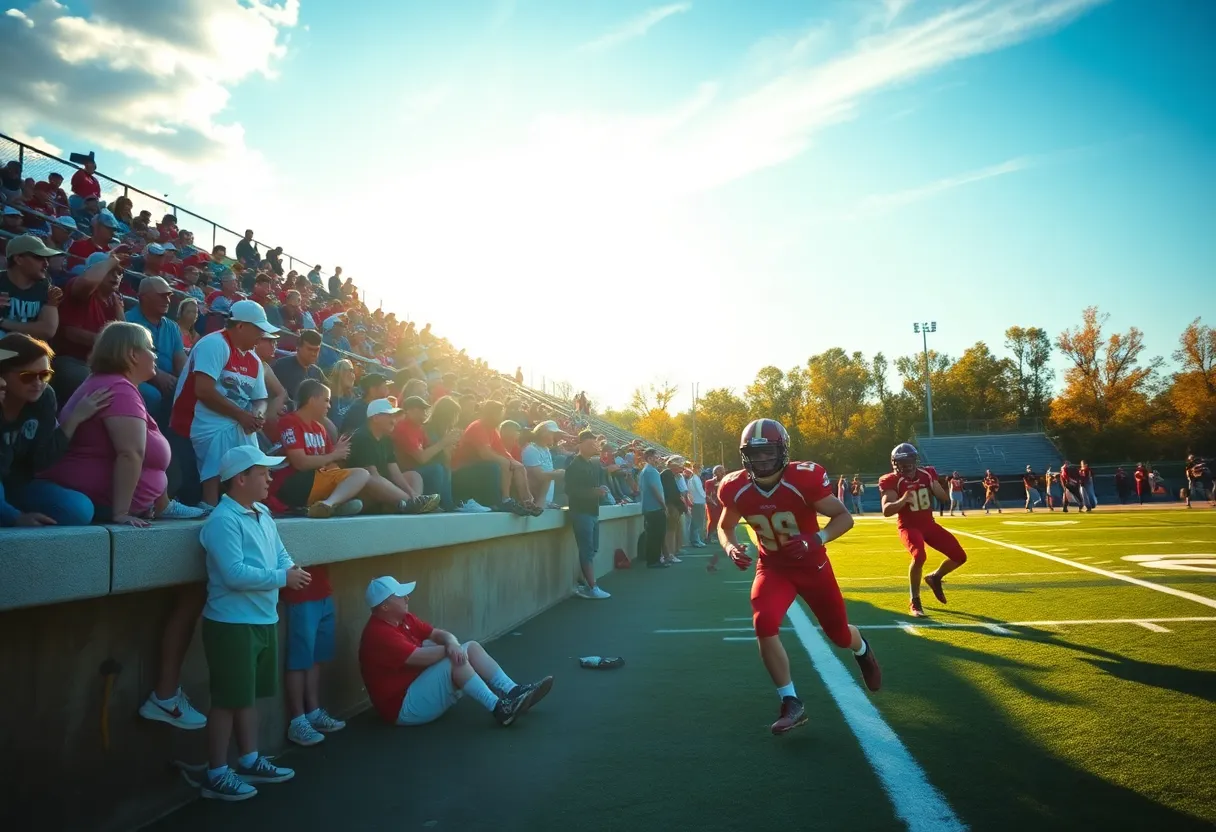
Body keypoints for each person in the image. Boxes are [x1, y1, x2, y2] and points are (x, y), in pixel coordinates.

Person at [717, 419, 880, 735]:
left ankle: (862, 649)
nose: (761, 460)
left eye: (768, 453)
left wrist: (816, 538)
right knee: (763, 622)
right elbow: (725, 527)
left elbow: (844, 517)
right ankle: (790, 701)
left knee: (839, 636)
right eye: (754, 453)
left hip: (813, 567)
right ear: (744, 455)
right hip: (773, 567)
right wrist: (731, 548)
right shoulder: (734, 486)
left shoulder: (802, 479)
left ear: (782, 451)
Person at [199, 444, 307, 801]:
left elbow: (280, 553)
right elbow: (232, 574)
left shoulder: (262, 513)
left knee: (245, 699)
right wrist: (282, 577)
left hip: (262, 619)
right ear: (241, 478)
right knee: (227, 700)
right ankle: (215, 774)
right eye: (263, 473)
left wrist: (289, 569)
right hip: (231, 624)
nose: (270, 478)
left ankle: (248, 759)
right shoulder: (221, 521)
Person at [357, 576, 552, 728]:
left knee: (471, 647)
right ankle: (500, 709)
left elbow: (437, 633)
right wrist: (451, 650)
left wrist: (451, 642)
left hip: (416, 688)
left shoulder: (404, 618)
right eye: (400, 596)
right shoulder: (379, 634)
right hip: (402, 709)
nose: (407, 597)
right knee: (454, 661)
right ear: (384, 606)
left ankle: (512, 690)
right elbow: (419, 658)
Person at [0, 332, 104, 526]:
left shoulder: (44, 398)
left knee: (80, 509)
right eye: (28, 376)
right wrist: (15, 517)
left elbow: (41, 460)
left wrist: (73, 420)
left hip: (18, 484)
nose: (38, 383)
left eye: (44, 375)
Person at [879, 443, 970, 618]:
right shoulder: (891, 480)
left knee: (959, 556)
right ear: (895, 463)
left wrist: (934, 485)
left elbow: (943, 498)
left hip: (929, 524)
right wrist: (904, 499)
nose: (907, 465)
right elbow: (887, 510)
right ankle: (915, 600)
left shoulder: (926, 474)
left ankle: (935, 577)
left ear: (915, 460)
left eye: (910, 460)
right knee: (919, 556)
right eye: (903, 462)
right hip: (908, 526)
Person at [566, 430, 610, 599]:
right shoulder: (574, 466)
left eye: (594, 443)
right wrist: (593, 492)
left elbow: (592, 488)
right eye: (590, 444)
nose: (593, 446)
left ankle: (583, 582)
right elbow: (571, 491)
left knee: (593, 548)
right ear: (580, 445)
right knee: (587, 550)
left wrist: (600, 491)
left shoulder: (591, 464)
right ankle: (592, 587)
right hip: (581, 512)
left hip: (592, 512)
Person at [638, 449, 668, 569]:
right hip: (654, 508)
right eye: (656, 457)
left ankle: (656, 559)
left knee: (657, 535)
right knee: (655, 535)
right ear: (649, 458)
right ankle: (653, 561)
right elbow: (655, 489)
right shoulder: (650, 471)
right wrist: (663, 505)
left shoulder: (648, 471)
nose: (658, 459)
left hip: (652, 508)